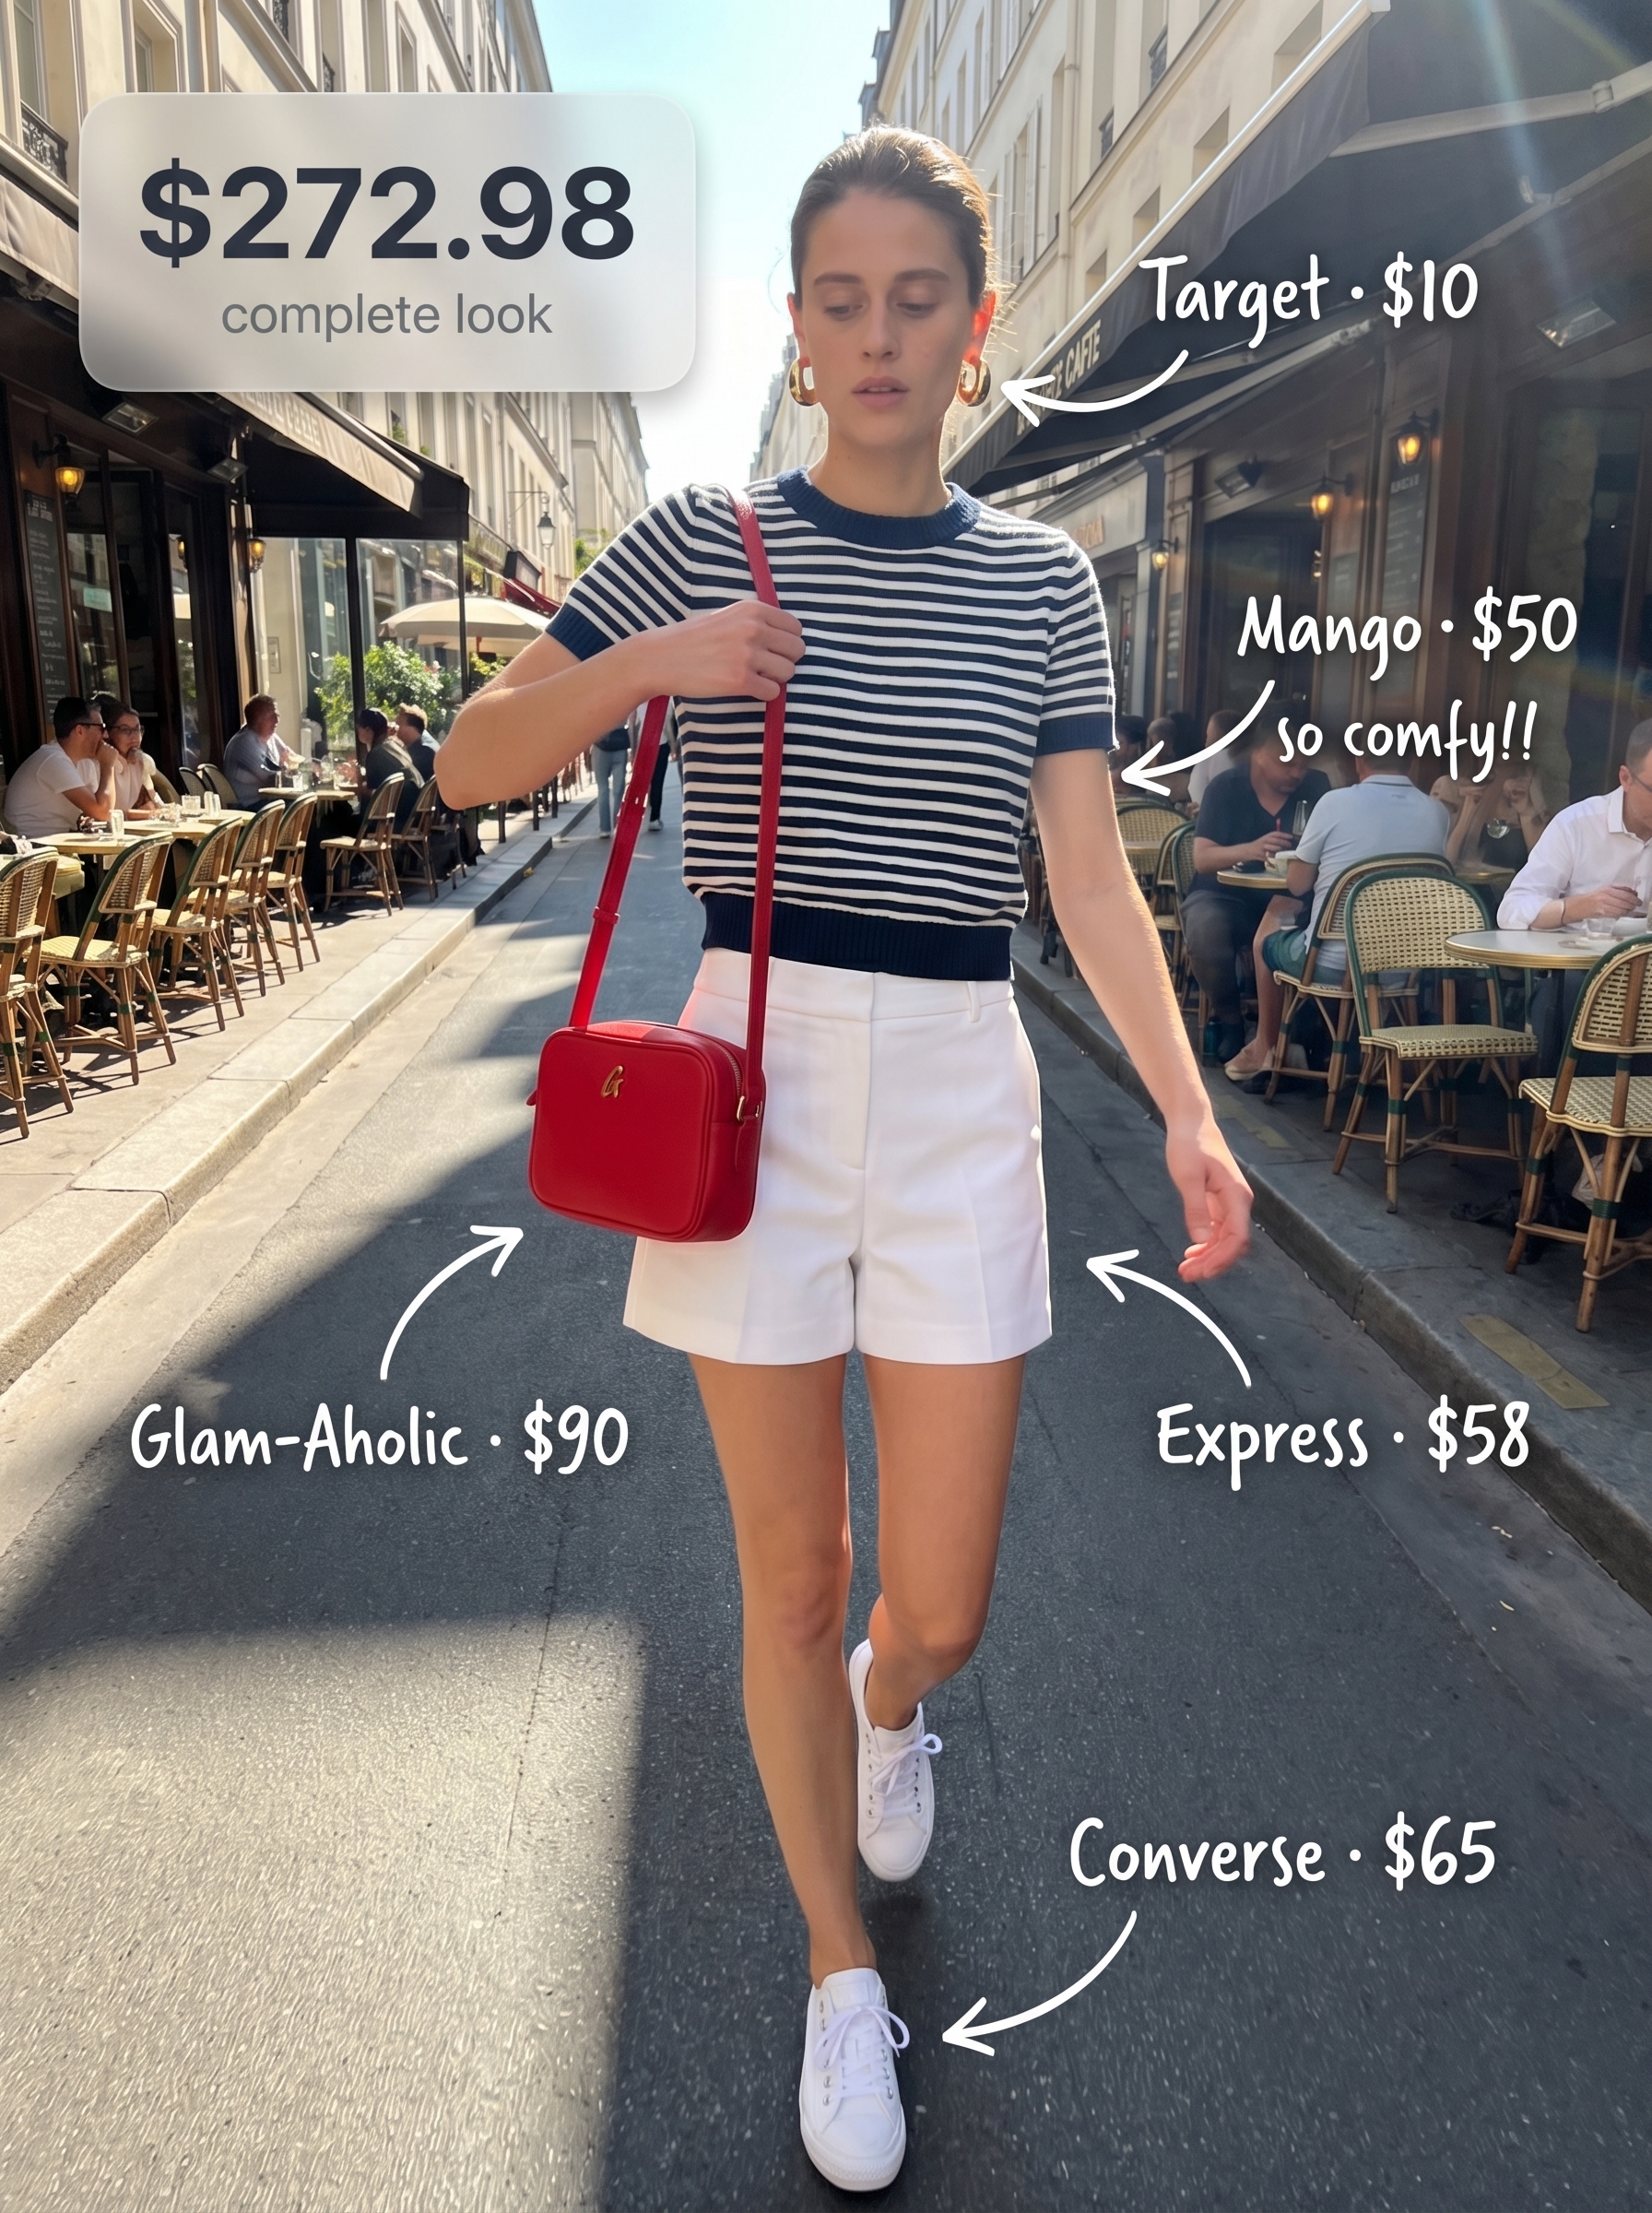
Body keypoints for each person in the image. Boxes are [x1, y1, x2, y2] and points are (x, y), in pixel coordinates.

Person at [433, 125, 1251, 2195]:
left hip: (962, 1081)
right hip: (753, 1070)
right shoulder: (699, 538)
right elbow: (470, 762)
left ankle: (905, 1712)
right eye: (839, 300)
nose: (877, 337)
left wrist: (1179, 1101)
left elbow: (1080, 865)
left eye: (917, 303)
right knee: (788, 1575)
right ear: (794, 331)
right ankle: (830, 1974)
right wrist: (648, 668)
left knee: (939, 1600)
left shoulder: (1041, 582)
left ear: (974, 336)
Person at [1221, 748, 1450, 1080]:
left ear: (1359, 763)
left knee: (1273, 921)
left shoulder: (1333, 803)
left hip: (1332, 966)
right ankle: (1340, 1047)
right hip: (1404, 970)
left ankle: (1265, 1047)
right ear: (1412, 764)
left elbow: (1298, 884)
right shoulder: (1437, 812)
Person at [1497, 719, 1652, 1068]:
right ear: (1625, 779)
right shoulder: (1577, 824)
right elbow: (1512, 909)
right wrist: (1579, 907)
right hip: (1580, 981)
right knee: (1579, 994)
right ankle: (1578, 1115)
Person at [1184, 727, 1330, 1063]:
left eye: (1303, 765)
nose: (1297, 773)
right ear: (1260, 755)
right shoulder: (1226, 787)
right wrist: (1249, 849)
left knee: (1327, 933)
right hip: (1225, 895)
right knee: (1206, 930)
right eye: (1287, 764)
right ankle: (1231, 1021)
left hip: (1292, 897)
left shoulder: (1317, 786)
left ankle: (1296, 1035)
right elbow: (1202, 859)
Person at [5, 696, 119, 835]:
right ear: (80, 730)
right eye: (101, 728)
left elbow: (97, 810)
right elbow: (104, 812)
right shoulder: (52, 759)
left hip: (60, 841)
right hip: (32, 847)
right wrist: (108, 766)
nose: (106, 735)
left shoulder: (85, 762)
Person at [1432, 762, 1548, 870]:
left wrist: (1526, 814)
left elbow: (1543, 868)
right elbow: (1443, 865)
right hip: (1460, 888)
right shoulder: (1448, 787)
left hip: (1511, 888)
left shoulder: (1524, 783)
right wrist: (1465, 813)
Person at [223, 695, 300, 809]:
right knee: (298, 806)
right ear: (257, 718)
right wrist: (288, 769)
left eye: (277, 715)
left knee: (306, 804)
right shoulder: (244, 742)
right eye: (271, 716)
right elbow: (268, 779)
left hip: (267, 800)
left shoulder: (270, 736)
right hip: (248, 806)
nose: (277, 720)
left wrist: (310, 768)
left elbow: (292, 757)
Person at [92, 694, 160, 817]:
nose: (135, 736)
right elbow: (105, 814)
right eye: (125, 730)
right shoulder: (95, 764)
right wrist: (153, 814)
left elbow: (151, 804)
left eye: (137, 729)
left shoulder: (138, 761)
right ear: (107, 733)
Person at [358, 708, 424, 827]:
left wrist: (358, 781)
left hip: (400, 819)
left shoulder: (376, 753)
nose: (358, 732)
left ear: (367, 730)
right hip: (417, 811)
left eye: (359, 728)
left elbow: (371, 792)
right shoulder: (394, 746)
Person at [1186, 706, 1248, 808]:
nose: (1205, 744)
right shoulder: (1254, 760)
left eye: (1208, 735)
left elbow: (1199, 800)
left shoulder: (1212, 759)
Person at [592, 716, 631, 836]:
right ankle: (618, 826)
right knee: (619, 790)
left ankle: (605, 829)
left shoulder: (597, 706)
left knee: (603, 789)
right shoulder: (621, 704)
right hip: (620, 746)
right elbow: (628, 720)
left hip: (600, 748)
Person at [646, 700, 680, 831]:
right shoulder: (663, 703)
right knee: (657, 782)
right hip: (660, 746)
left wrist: (633, 748)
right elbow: (667, 727)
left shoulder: (639, 701)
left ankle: (641, 815)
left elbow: (632, 725)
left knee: (646, 781)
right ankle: (654, 818)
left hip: (643, 747)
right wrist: (673, 748)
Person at [396, 704, 440, 783]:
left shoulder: (423, 751)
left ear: (414, 728)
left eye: (399, 724)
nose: (396, 729)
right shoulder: (425, 742)